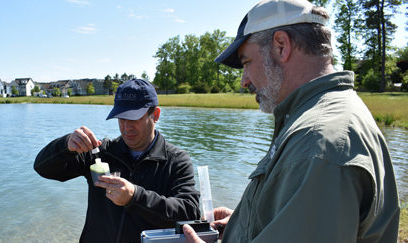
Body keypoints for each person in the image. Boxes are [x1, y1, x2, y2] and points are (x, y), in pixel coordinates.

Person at [183, 0, 400, 242]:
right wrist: (247, 223)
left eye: (246, 63)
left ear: (281, 46)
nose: (244, 81)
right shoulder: (325, 118)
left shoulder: (318, 142)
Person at [34, 79, 200, 243]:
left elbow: (189, 213)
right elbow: (43, 168)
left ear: (155, 115)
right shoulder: (100, 153)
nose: (127, 127)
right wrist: (66, 146)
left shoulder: (176, 161)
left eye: (134, 118)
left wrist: (135, 197)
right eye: (121, 118)